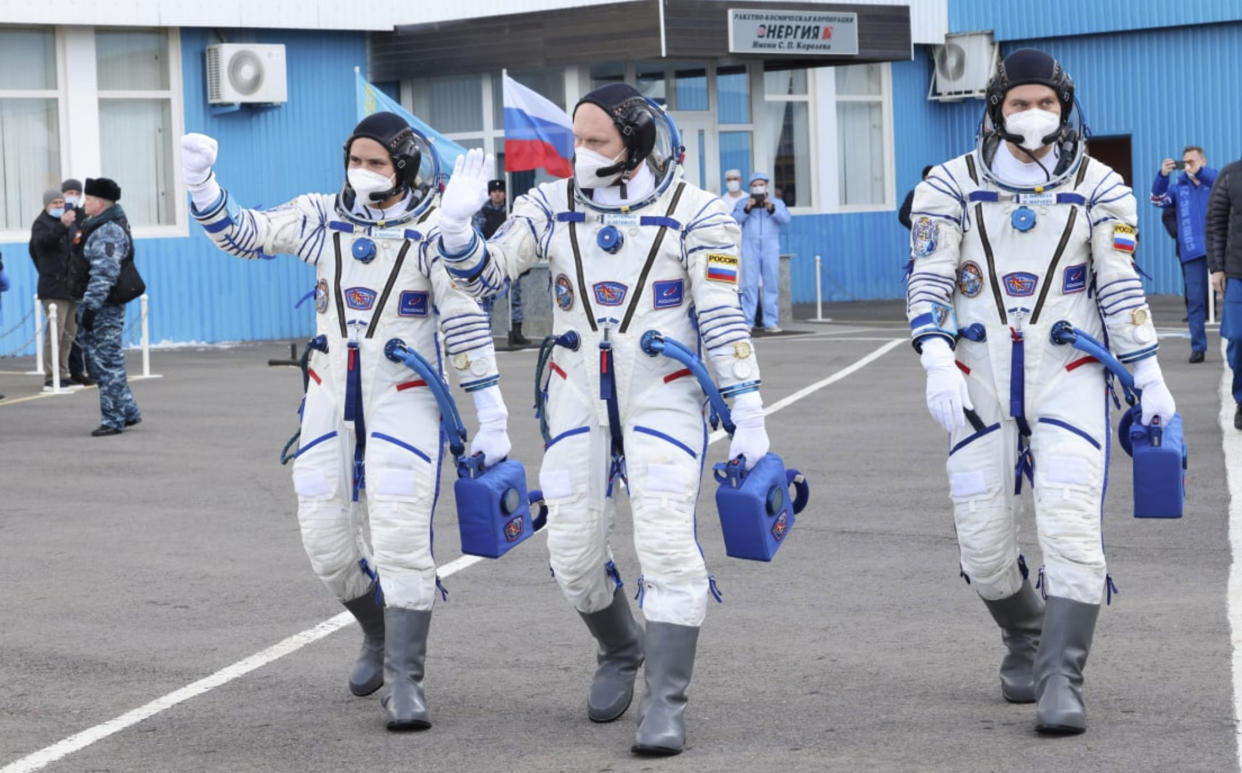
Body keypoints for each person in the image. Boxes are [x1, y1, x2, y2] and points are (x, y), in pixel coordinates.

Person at [432, 83, 770, 756]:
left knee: (668, 544)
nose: (580, 153)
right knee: (573, 556)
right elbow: (486, 278)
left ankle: (666, 703)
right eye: (575, 142)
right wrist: (456, 231)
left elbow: (722, 314)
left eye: (596, 142)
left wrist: (748, 407)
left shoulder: (697, 213)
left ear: (636, 143)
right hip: (576, 398)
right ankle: (621, 646)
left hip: (665, 397)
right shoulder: (548, 206)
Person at [180, 112, 513, 732]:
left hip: (405, 400)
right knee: (326, 543)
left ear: (406, 168)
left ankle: (405, 679)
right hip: (329, 401)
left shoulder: (433, 232)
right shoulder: (322, 216)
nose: (361, 172)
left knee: (399, 538)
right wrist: (203, 187)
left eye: (376, 162)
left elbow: (466, 325)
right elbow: (247, 234)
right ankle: (376, 632)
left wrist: (490, 412)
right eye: (354, 160)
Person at [907, 49, 1177, 735]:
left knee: (1071, 531)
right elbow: (930, 276)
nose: (1033, 115)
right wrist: (936, 356)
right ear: (996, 106)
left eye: (1046, 103)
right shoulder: (949, 184)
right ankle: (1025, 631)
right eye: (1020, 102)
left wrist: (1147, 373)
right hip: (977, 376)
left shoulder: (1102, 188)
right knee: (983, 548)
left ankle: (1062, 677)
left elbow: (1120, 285)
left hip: (1069, 375)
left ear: (1065, 107)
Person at [70, 178, 146, 437]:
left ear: (100, 203)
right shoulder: (95, 225)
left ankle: (113, 419)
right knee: (101, 360)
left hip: (104, 306)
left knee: (106, 362)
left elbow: (104, 273)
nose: (83, 203)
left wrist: (91, 308)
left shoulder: (108, 230)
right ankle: (128, 411)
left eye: (88, 199)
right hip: (98, 304)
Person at [1151, 146, 1218, 363]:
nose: (1188, 165)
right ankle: (1198, 347)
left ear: (1203, 161)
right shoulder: (1179, 189)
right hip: (1191, 251)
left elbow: (1219, 181)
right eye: (1185, 162)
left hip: (1219, 248)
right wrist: (1162, 175)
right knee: (1196, 302)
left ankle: (1234, 341)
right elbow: (1157, 199)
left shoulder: (1215, 182)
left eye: (1193, 161)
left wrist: (1199, 172)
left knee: (1234, 295)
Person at [29, 188, 80, 387]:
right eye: (55, 203)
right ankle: (52, 376)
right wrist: (61, 225)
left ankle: (64, 372)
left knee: (69, 333)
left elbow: (75, 246)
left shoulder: (70, 222)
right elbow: (41, 245)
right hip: (52, 287)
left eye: (61, 202)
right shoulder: (41, 224)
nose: (59, 206)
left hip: (70, 286)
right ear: (46, 205)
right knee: (55, 334)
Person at [1205, 155, 1242, 430]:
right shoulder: (1230, 175)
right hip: (1237, 273)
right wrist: (1217, 267)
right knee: (1238, 338)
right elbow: (1215, 223)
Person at [473, 179, 529, 347]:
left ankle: (516, 332)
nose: (497, 194)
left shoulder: (512, 212)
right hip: (490, 262)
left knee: (515, 298)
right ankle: (485, 333)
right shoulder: (482, 212)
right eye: (494, 192)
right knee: (487, 299)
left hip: (510, 261)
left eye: (500, 191)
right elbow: (477, 234)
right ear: (490, 194)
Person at [732, 171, 790, 333]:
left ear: (766, 185)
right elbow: (734, 219)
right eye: (755, 185)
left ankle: (771, 321)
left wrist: (771, 208)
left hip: (770, 245)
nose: (758, 188)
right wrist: (747, 208)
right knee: (749, 284)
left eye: (761, 184)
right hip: (749, 245)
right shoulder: (743, 202)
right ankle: (748, 322)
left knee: (771, 283)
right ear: (750, 187)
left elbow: (786, 219)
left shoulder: (776, 202)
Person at [60, 178, 93, 385]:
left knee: (83, 329)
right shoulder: (58, 218)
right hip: (64, 280)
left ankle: (88, 370)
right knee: (69, 330)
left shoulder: (83, 217)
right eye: (69, 192)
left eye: (76, 192)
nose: (72, 195)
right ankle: (73, 370)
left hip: (82, 279)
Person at [898, 165, 935, 230]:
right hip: (923, 235)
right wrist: (917, 228)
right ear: (926, 178)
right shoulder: (915, 194)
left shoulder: (942, 195)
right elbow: (903, 215)